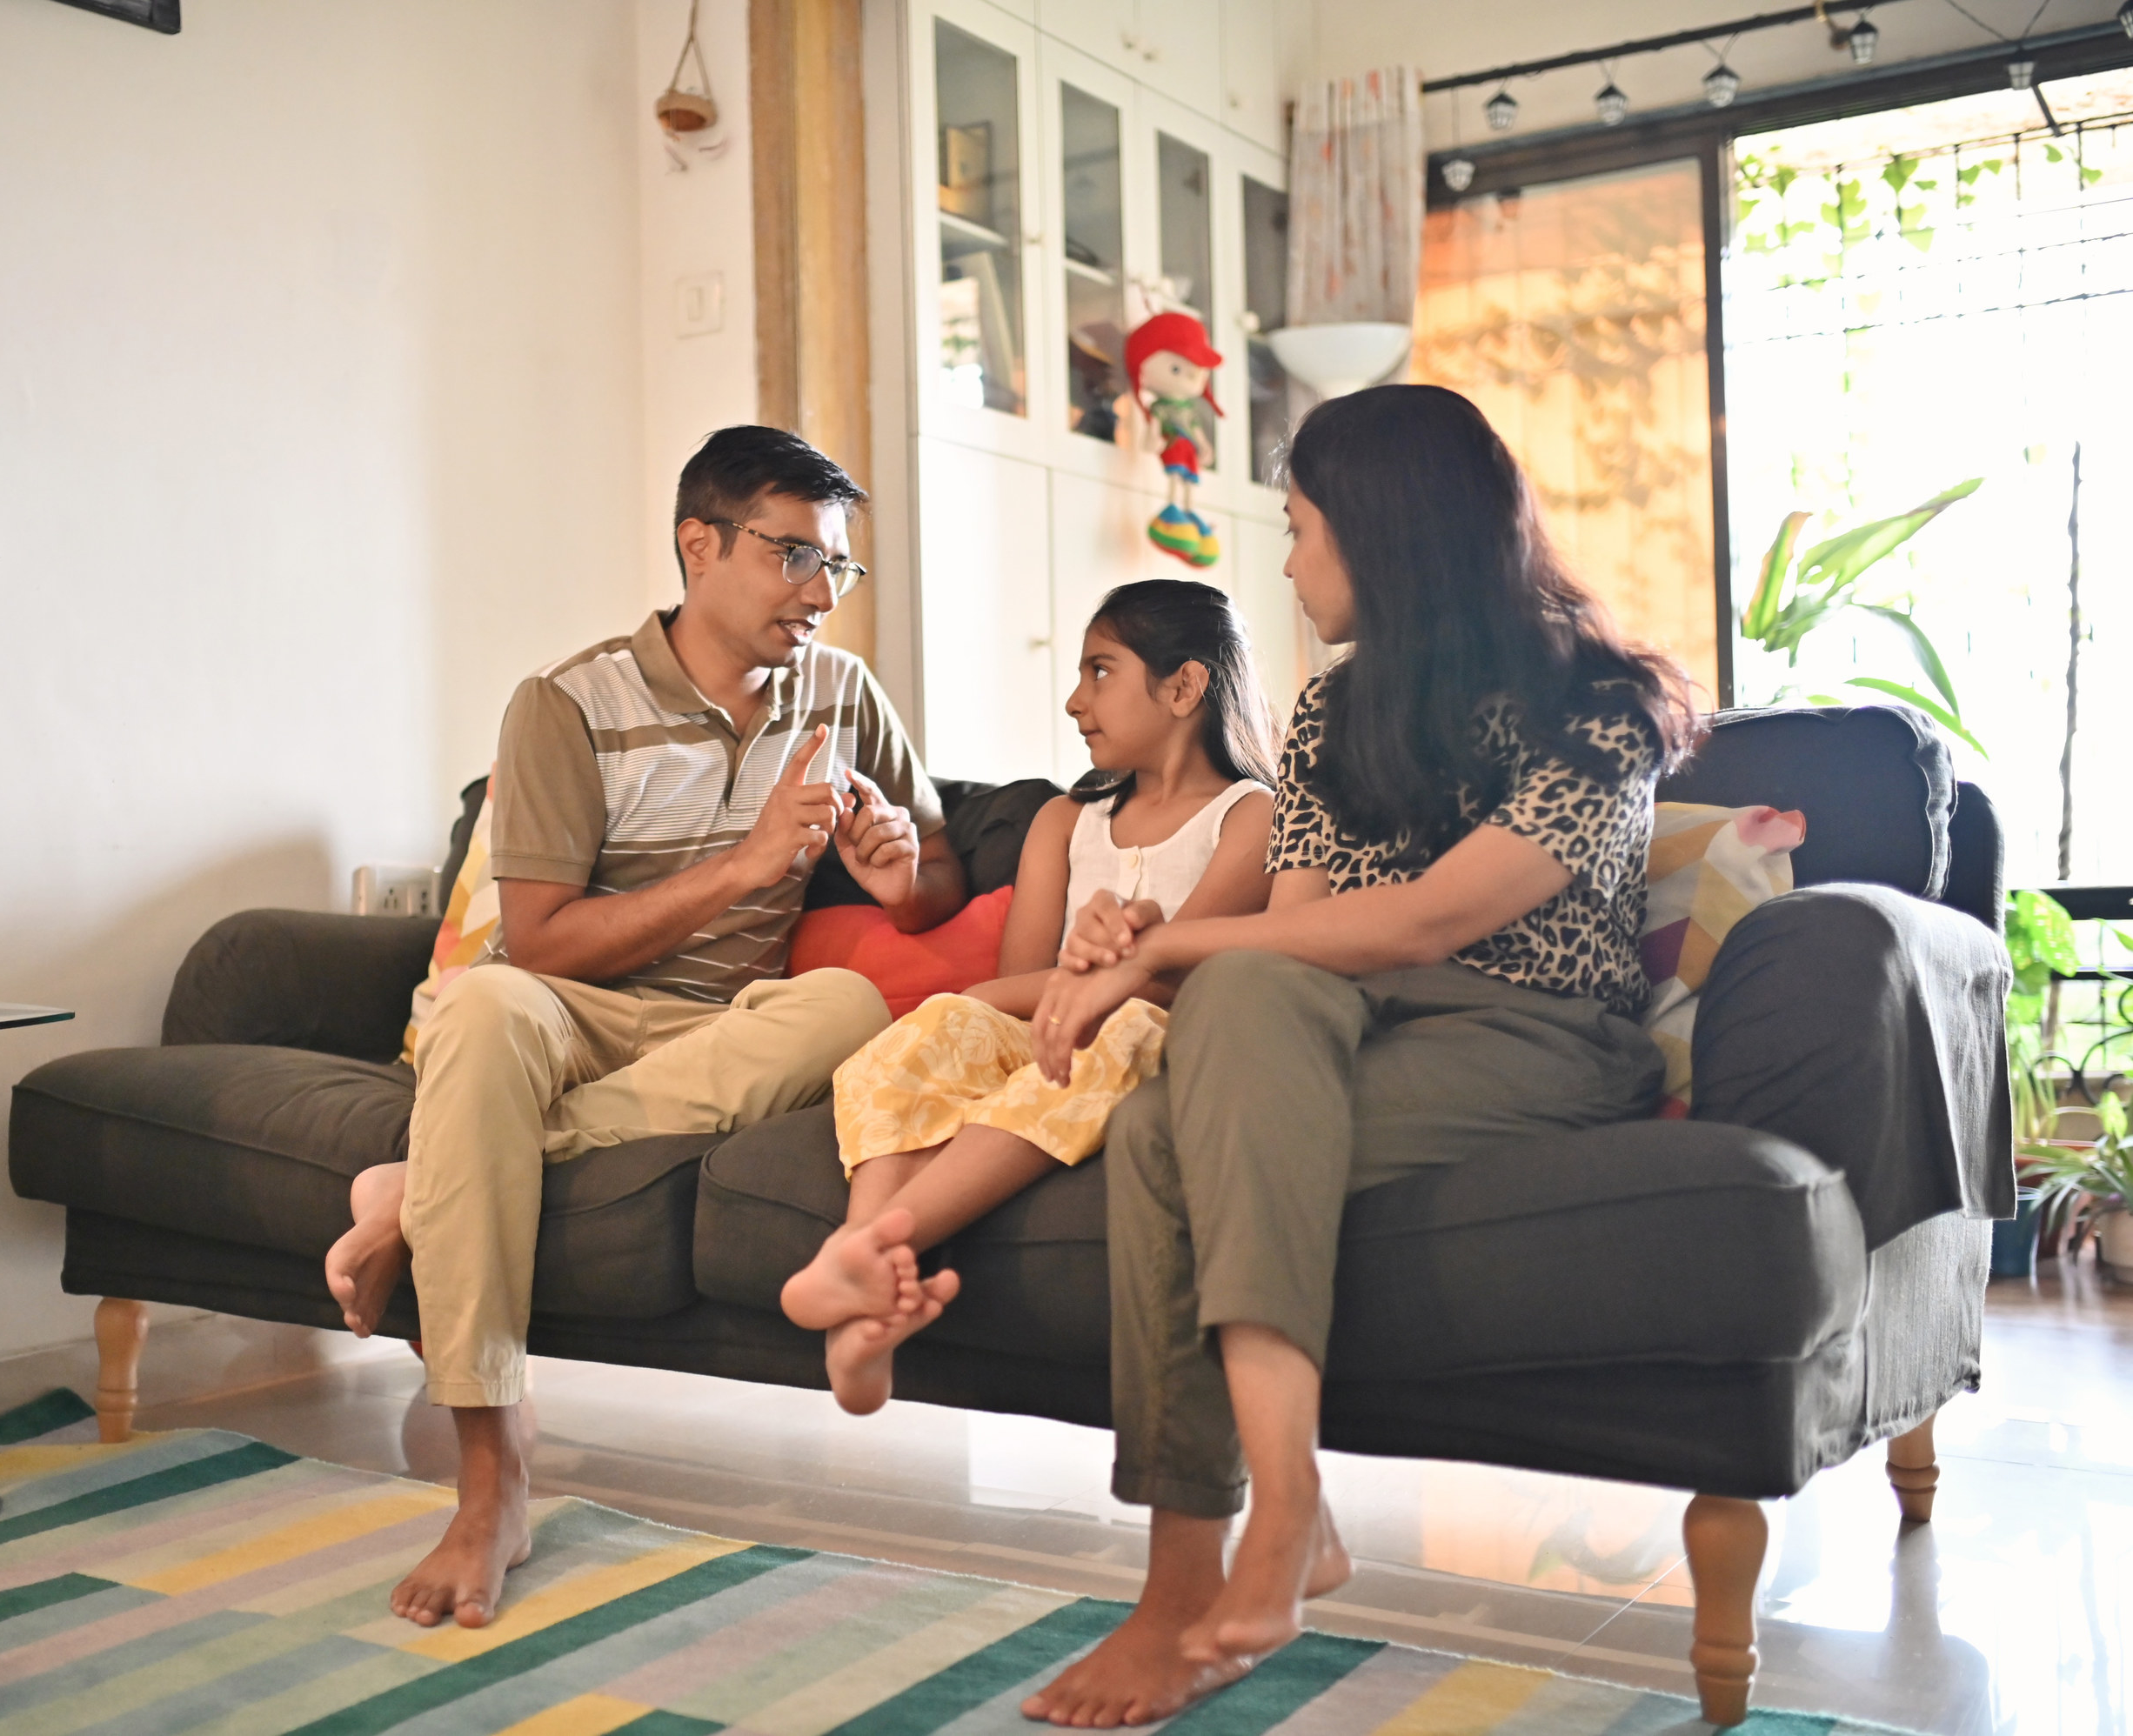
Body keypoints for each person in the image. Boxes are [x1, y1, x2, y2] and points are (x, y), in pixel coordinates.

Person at [1021, 384, 1700, 1726]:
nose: (1286, 560)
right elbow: (1297, 935)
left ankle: (1201, 1583)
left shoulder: (1597, 704)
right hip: (1358, 1019)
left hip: (1533, 1033)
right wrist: (1162, 934)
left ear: (1382, 532)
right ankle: (1288, 1512)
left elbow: (1440, 917)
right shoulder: (1335, 710)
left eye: (1300, 526)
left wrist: (1157, 959)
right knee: (1238, 1007)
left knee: (1163, 1137)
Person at [324, 425, 966, 1630]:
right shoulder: (567, 705)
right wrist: (748, 868)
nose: (822, 594)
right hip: (565, 1006)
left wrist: (898, 876)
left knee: (846, 1004)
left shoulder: (844, 694)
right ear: (699, 546)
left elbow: (933, 876)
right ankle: (490, 1478)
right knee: (483, 1007)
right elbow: (547, 940)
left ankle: (421, 1186)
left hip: (725, 1022)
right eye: (793, 558)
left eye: (839, 568)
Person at [779, 579, 1276, 1415]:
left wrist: (1104, 978)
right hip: (1048, 1023)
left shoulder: (1250, 815)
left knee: (1117, 1036)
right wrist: (1035, 999)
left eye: (1101, 671)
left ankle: (872, 1244)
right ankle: (862, 1298)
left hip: (1163, 1032)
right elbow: (1007, 993)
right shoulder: (1063, 823)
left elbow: (1177, 973)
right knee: (938, 1023)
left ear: (1184, 687)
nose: (1076, 700)